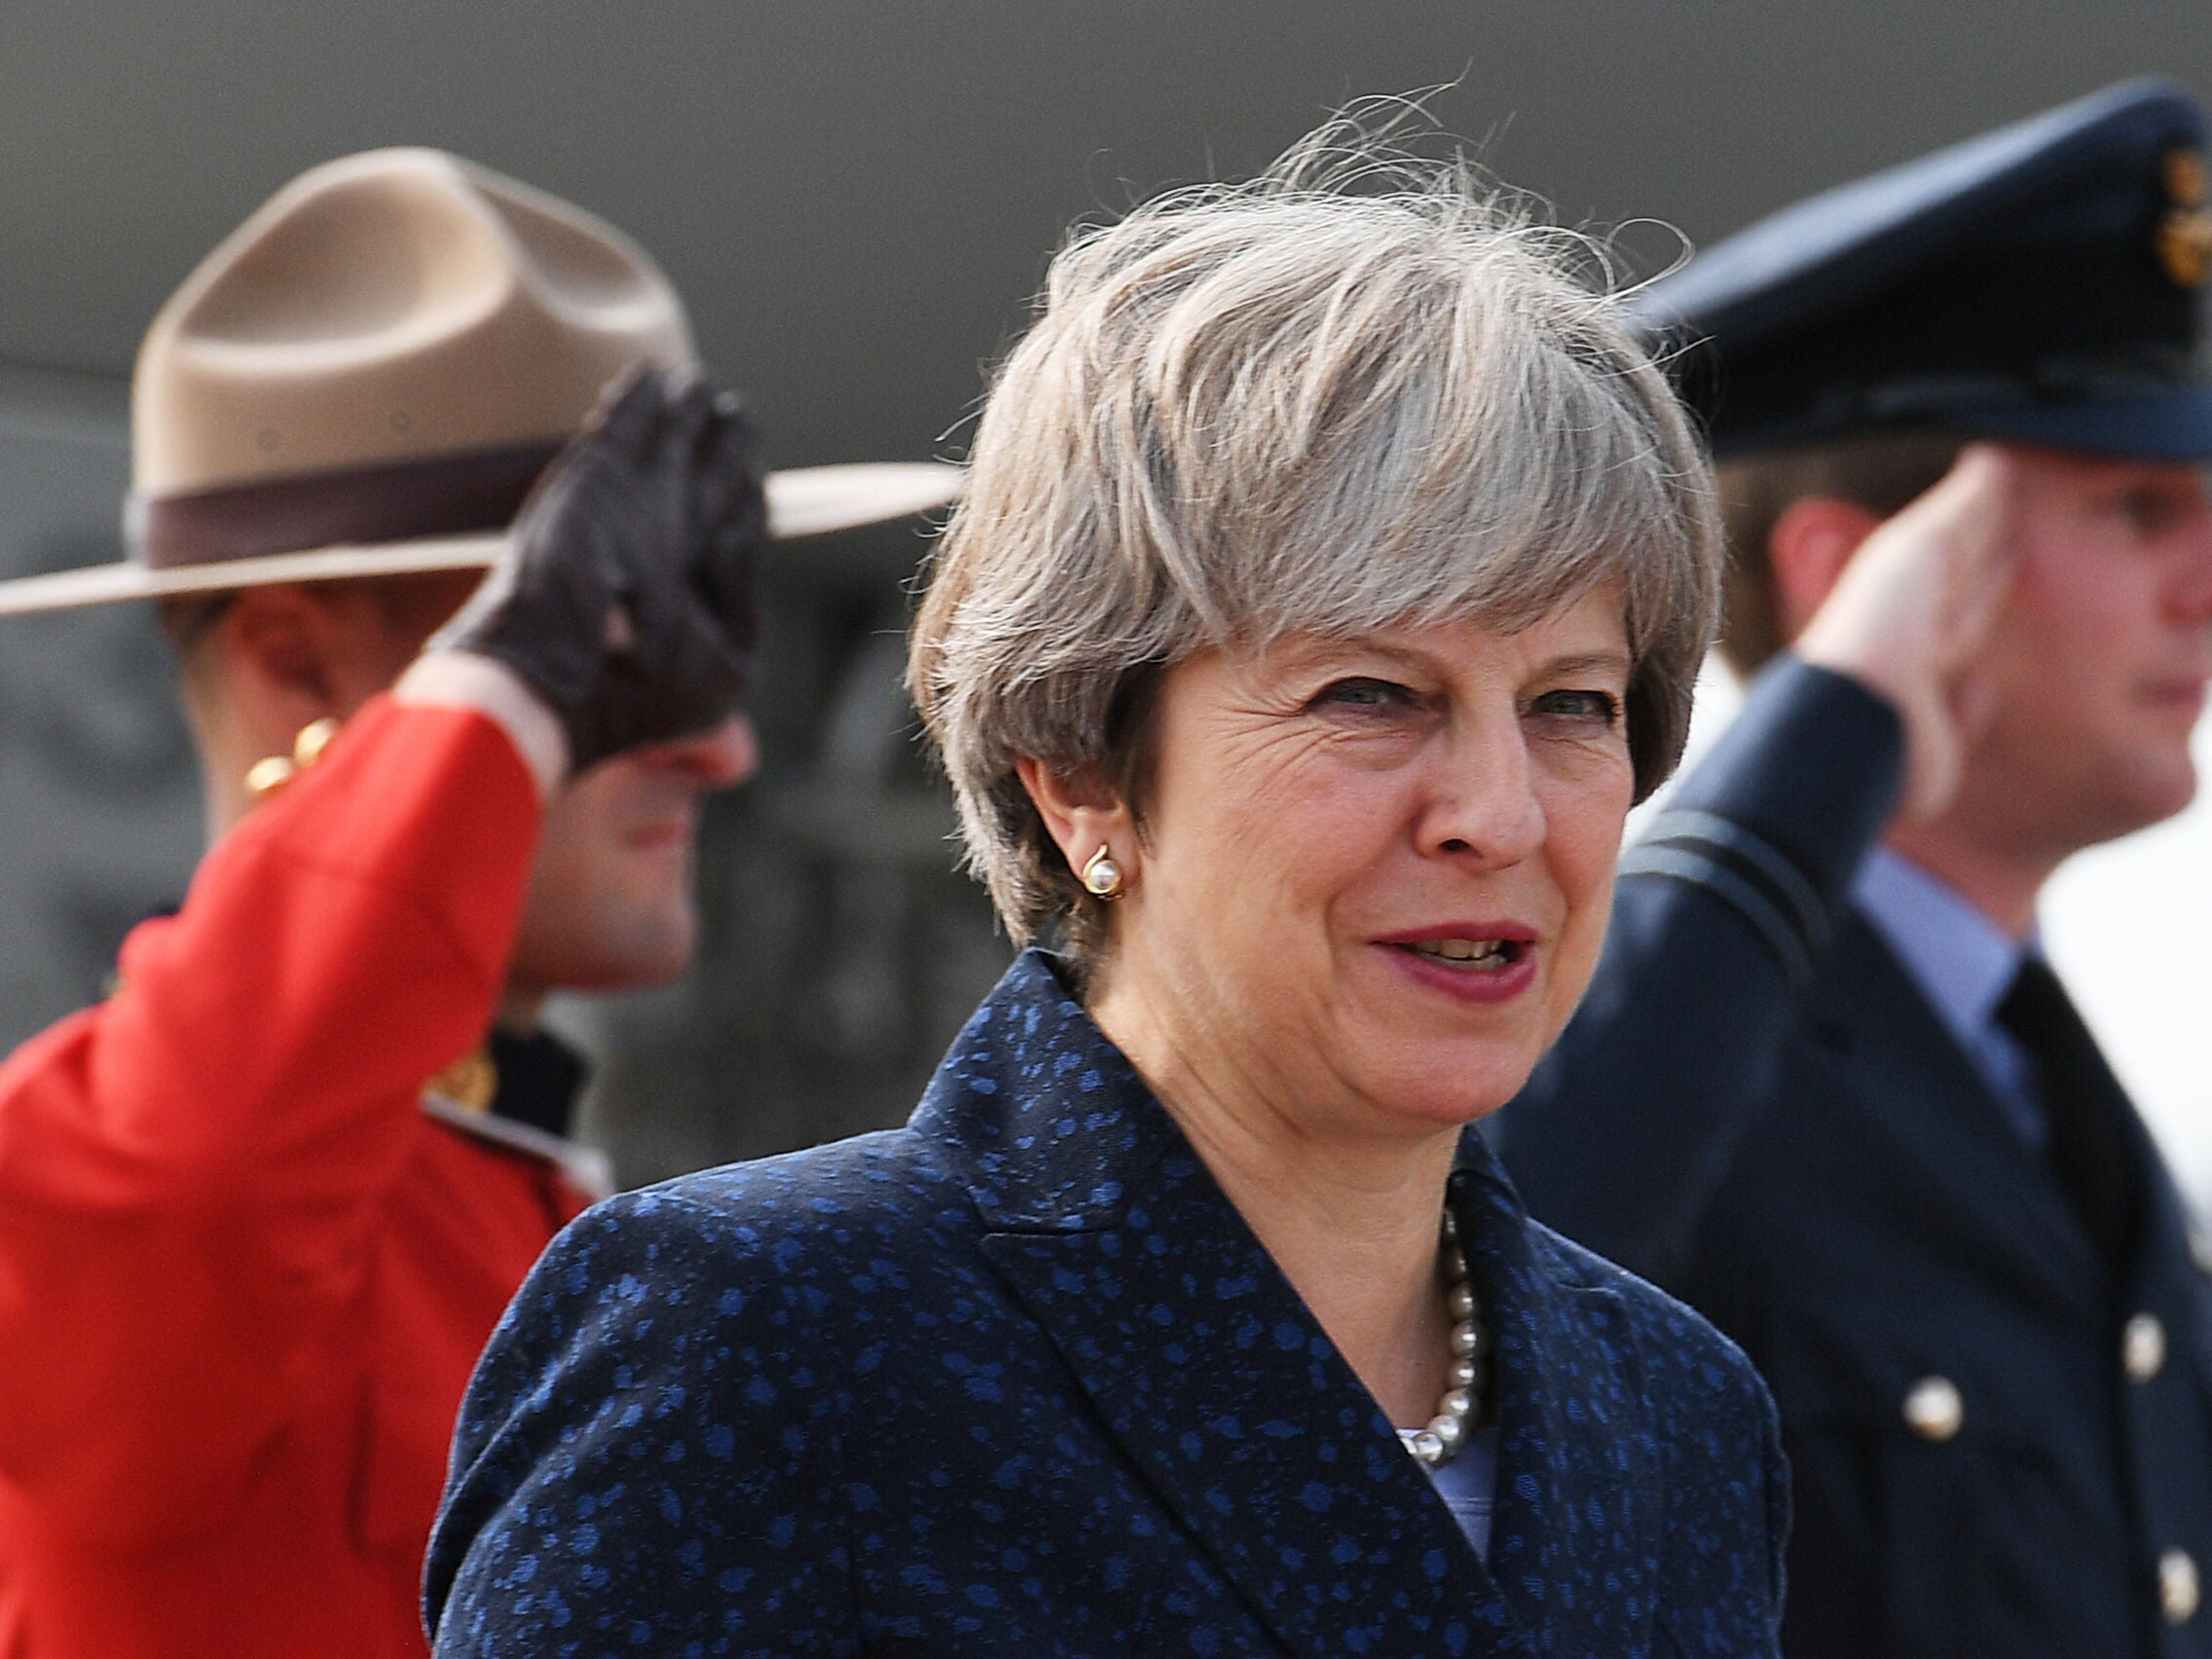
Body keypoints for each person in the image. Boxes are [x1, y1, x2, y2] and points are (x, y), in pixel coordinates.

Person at [426, 127, 1788, 1657]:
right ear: (1076, 772)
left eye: (1573, 706)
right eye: (1367, 695)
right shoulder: (760, 1335)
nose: (1496, 811)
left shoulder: (1676, 1416)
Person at [0, 149, 961, 1659]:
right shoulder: (147, 1200)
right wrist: (512, 688)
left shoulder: (517, 1185)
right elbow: (188, 1180)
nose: (722, 746)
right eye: (628, 645)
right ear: (304, 667)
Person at [1501, 79, 2212, 1658]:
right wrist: (1841, 718)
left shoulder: (2050, 1103)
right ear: (1855, 578)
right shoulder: (1665, 1039)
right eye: (2135, 509)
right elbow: (1492, 1244)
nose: (2206, 583)